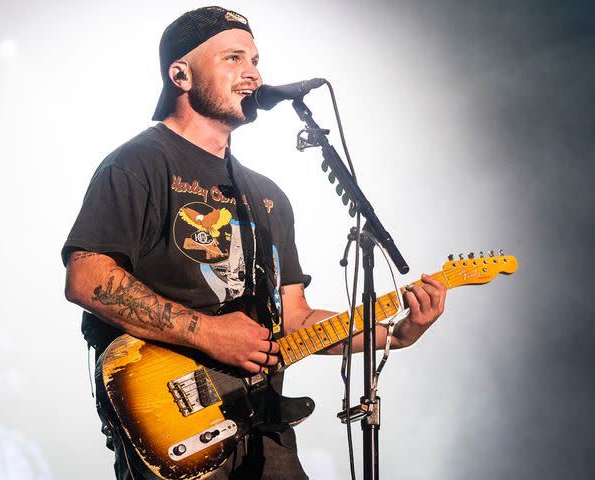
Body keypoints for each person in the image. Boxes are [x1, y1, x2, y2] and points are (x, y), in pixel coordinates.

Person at [62, 6, 446, 479]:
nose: (253, 73)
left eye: (256, 60)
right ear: (180, 74)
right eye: (233, 58)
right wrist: (209, 334)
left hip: (263, 426)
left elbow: (297, 320)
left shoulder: (268, 197)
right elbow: (87, 277)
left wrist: (395, 336)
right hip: (173, 417)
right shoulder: (137, 164)